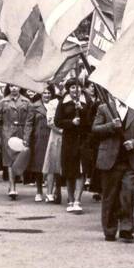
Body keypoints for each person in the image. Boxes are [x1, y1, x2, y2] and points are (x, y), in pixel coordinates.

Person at [92, 96, 134, 242]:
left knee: (128, 193)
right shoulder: (104, 108)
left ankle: (126, 229)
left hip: (130, 160)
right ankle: (109, 229)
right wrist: (110, 126)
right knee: (109, 196)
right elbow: (95, 129)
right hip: (110, 160)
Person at [55, 78, 94, 213]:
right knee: (70, 171)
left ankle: (77, 200)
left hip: (83, 140)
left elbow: (92, 121)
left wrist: (82, 111)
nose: (75, 90)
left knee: (81, 171)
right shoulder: (63, 103)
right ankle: (70, 200)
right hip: (69, 140)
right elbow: (58, 122)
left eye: (77, 87)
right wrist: (71, 122)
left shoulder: (87, 102)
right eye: (72, 88)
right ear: (68, 89)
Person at [0, 84, 32, 200]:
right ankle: (12, 186)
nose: (14, 88)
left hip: (21, 131)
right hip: (7, 132)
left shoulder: (27, 102)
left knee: (19, 158)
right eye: (11, 86)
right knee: (10, 159)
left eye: (16, 86)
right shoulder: (3, 101)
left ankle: (17, 179)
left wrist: (27, 136)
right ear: (8, 88)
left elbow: (30, 121)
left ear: (20, 87)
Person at [42, 84, 64, 204]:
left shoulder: (70, 102)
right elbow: (50, 121)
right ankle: (49, 192)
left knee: (62, 165)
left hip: (69, 137)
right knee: (52, 164)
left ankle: (58, 189)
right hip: (56, 136)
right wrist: (62, 130)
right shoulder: (53, 103)